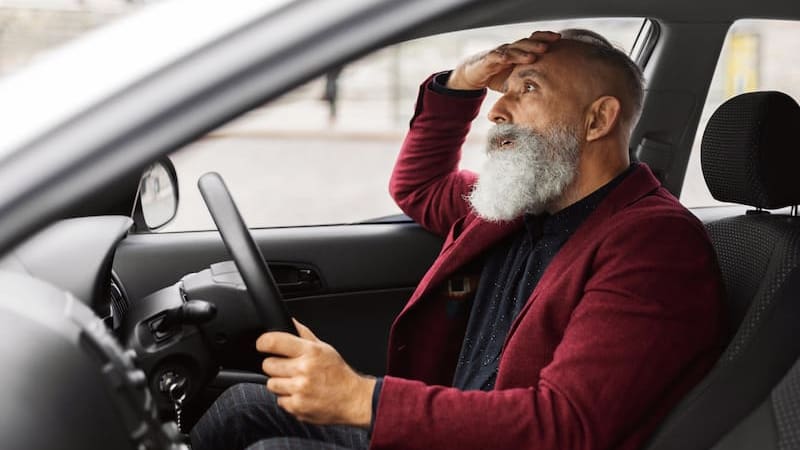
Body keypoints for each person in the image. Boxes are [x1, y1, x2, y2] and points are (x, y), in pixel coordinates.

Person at [190, 29, 724, 450]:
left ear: (597, 120)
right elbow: (418, 185)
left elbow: (567, 428)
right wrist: (462, 81)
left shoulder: (653, 244)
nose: (497, 109)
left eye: (528, 88)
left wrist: (363, 399)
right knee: (243, 404)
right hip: (455, 428)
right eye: (503, 90)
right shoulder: (519, 203)